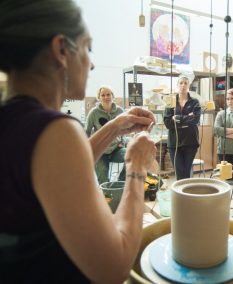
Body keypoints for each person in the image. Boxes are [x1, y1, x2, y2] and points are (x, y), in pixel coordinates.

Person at [0, 1, 156, 283]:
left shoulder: (15, 121)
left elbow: (61, 171)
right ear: (61, 50)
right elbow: (114, 267)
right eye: (88, 48)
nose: (92, 62)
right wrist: (137, 166)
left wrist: (115, 127)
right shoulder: (54, 131)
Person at [85, 86, 127, 185]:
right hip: (100, 150)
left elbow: (124, 130)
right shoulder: (94, 113)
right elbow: (86, 132)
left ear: (113, 96)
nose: (106, 97)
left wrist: (122, 142)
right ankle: (105, 196)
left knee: (130, 157)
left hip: (116, 148)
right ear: (99, 97)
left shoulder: (120, 112)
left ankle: (120, 186)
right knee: (103, 178)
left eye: (108, 94)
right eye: (102, 95)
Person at [163, 75, 201, 180]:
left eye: (185, 83)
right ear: (177, 85)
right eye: (181, 83)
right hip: (174, 144)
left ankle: (187, 195)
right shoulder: (170, 102)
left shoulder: (195, 102)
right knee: (179, 174)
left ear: (189, 85)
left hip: (190, 142)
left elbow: (195, 120)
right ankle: (180, 196)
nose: (183, 85)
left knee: (187, 173)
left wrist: (178, 118)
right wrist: (187, 119)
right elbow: (167, 122)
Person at [214, 88, 233, 180]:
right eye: (227, 99)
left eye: (232, 98)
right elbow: (216, 130)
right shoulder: (221, 114)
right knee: (224, 178)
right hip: (223, 151)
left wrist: (224, 134)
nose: (229, 101)